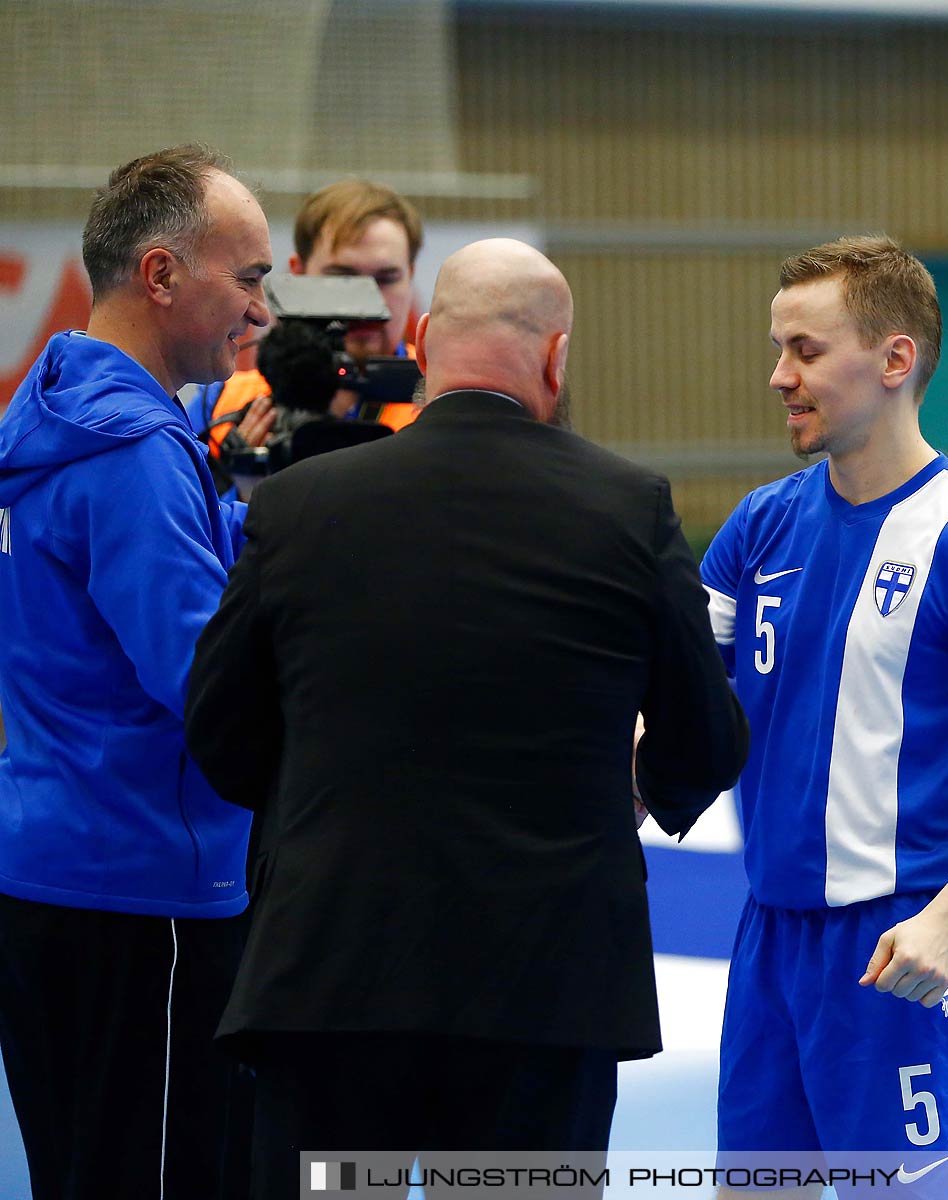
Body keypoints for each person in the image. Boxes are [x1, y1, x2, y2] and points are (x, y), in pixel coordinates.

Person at [184, 238, 749, 1193]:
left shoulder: (298, 505)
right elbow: (707, 737)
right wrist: (642, 789)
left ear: (419, 337)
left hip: (332, 976)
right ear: (558, 357)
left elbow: (218, 729)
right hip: (544, 990)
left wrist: (307, 800)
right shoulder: (627, 509)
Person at [701, 236, 948, 1198]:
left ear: (895, 359)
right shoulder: (758, 526)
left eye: (805, 350)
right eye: (780, 348)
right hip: (770, 947)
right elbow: (677, 712)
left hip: (900, 952)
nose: (778, 375)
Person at [0, 144, 271, 1198]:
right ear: (161, 276)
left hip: (58, 857)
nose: (260, 311)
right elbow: (206, 679)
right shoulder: (132, 453)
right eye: (245, 278)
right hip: (143, 886)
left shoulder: (56, 411)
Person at [197, 178, 426, 471]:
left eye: (386, 279)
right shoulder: (224, 402)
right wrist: (234, 484)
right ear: (299, 274)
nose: (365, 300)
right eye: (342, 276)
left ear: (410, 276)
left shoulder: (440, 400)